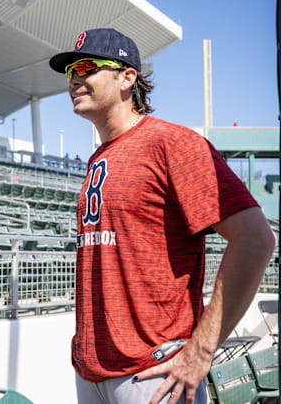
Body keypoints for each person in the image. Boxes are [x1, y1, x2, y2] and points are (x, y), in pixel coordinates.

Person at [49, 28, 276, 403]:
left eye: (86, 67)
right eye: (70, 70)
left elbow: (256, 239)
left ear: (127, 77)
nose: (75, 78)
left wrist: (200, 352)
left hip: (153, 375)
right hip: (91, 371)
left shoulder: (174, 143)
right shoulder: (98, 156)